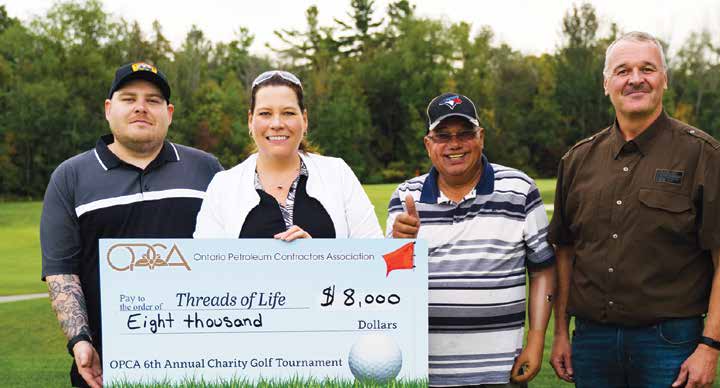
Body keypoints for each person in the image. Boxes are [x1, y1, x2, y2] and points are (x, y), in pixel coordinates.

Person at [548, 31, 720, 387]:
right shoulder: (577, 160)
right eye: (623, 70)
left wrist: (710, 346)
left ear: (664, 79)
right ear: (606, 83)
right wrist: (561, 333)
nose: (636, 79)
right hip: (592, 343)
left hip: (670, 344)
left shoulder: (703, 154)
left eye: (647, 68)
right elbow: (565, 252)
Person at [41, 62, 223, 388]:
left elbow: (235, 253)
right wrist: (79, 340)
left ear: (169, 112)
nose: (141, 106)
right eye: (129, 98)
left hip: (199, 361)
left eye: (153, 100)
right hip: (107, 367)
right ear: (109, 109)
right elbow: (61, 271)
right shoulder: (70, 176)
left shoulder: (207, 170)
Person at [388, 92, 556, 387]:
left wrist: (536, 339)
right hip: (425, 373)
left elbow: (542, 269)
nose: (454, 144)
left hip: (502, 373)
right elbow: (390, 285)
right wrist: (399, 247)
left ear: (481, 137)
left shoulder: (519, 189)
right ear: (428, 144)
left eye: (465, 133)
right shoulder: (405, 197)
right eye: (443, 135)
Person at [193, 70, 381, 239]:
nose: (276, 124)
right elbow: (208, 269)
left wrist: (318, 256)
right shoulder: (223, 186)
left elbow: (371, 257)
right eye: (265, 113)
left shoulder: (338, 174)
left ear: (304, 120)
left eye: (288, 113)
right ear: (250, 121)